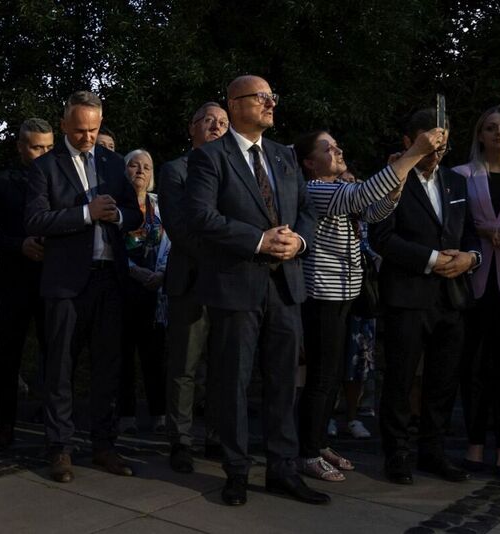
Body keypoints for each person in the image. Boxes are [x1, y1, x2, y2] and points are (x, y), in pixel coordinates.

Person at [184, 75, 327, 506]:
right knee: (233, 383)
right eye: (261, 97)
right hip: (236, 286)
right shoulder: (210, 157)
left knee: (283, 383)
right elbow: (201, 216)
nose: (270, 103)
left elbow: (306, 209)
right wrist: (258, 240)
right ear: (234, 103)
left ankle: (283, 470)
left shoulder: (284, 155)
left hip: (285, 285)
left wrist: (299, 242)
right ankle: (237, 472)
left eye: (272, 96)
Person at [293, 128, 443, 482]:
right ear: (310, 163)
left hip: (345, 295)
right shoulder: (316, 190)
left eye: (337, 145)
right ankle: (307, 452)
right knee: (321, 377)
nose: (338, 150)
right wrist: (412, 156)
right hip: (324, 296)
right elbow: (362, 195)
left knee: (333, 376)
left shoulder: (336, 189)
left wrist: (398, 176)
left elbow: (376, 211)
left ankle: (318, 443)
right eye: (328, 148)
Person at [25, 90, 142, 483]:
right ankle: (60, 447)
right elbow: (36, 220)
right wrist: (85, 214)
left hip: (110, 278)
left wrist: (118, 215)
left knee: (108, 365)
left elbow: (135, 213)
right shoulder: (46, 167)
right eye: (79, 130)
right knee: (61, 366)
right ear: (64, 125)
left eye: (93, 129)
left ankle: (104, 445)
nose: (88, 137)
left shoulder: (113, 163)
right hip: (66, 282)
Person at [369, 108, 480, 485]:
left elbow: (470, 232)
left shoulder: (456, 182)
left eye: (442, 146)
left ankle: (433, 452)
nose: (436, 153)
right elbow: (381, 237)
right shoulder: (391, 178)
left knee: (443, 381)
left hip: (452, 298)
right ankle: (397, 454)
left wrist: (471, 258)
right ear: (409, 141)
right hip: (407, 296)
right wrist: (432, 260)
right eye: (430, 144)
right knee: (400, 380)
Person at [455, 104, 500, 478]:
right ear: (480, 135)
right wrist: (484, 232)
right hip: (473, 282)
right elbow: (452, 225)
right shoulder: (460, 176)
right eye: (491, 127)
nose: (499, 132)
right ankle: (475, 444)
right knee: (474, 366)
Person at [161, 101, 228, 473]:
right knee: (184, 365)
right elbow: (179, 227)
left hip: (229, 283)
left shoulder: (235, 169)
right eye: (209, 121)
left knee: (222, 363)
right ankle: (181, 440)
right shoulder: (176, 170)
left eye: (223, 122)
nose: (216, 127)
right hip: (190, 279)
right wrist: (225, 253)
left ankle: (216, 436)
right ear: (192, 128)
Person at [0, 118, 53, 449]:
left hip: (53, 280)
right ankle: (5, 424)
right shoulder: (0, 183)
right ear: (20, 147)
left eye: (49, 147)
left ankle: (55, 427)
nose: (44, 153)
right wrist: (19, 246)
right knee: (8, 354)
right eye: (36, 147)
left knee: (55, 353)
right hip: (14, 279)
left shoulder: (63, 179)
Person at [118, 149, 170, 435]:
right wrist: (133, 271)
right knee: (123, 355)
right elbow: (109, 245)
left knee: (155, 356)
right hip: (124, 288)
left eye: (147, 167)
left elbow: (171, 243)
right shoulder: (115, 205)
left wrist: (161, 273)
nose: (140, 171)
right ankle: (126, 414)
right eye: (134, 165)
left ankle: (159, 414)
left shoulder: (161, 205)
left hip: (155, 290)